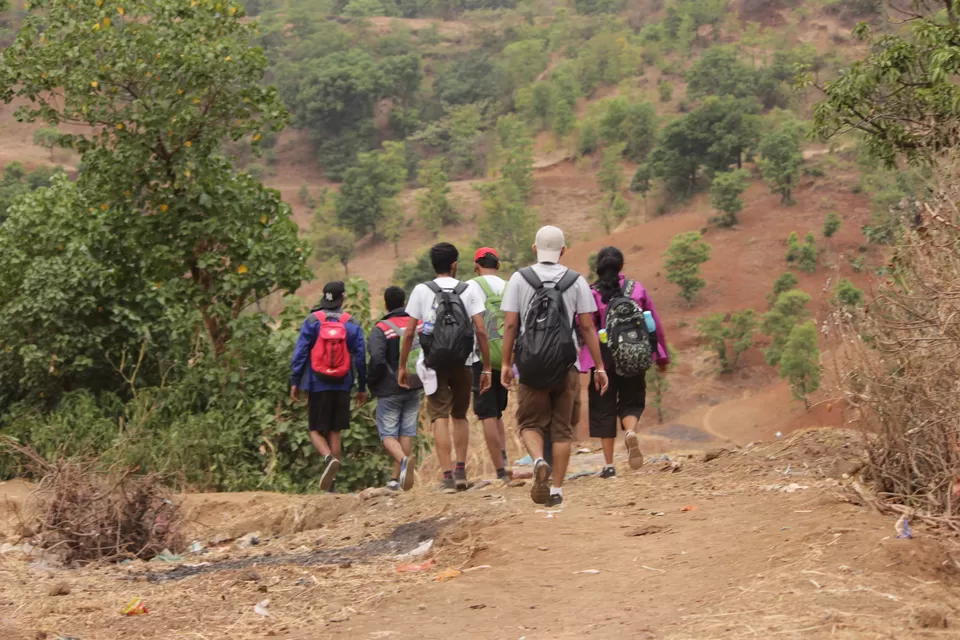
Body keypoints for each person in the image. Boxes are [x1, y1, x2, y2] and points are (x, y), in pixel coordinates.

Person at [501, 226, 608, 507]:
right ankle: (557, 490)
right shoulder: (576, 281)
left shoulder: (519, 279)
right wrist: (599, 366)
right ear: (562, 251)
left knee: (528, 423)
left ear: (535, 249)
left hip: (531, 364)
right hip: (566, 364)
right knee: (562, 429)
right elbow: (587, 326)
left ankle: (538, 461)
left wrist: (505, 363)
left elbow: (511, 324)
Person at [398, 243, 492, 493]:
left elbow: (409, 333)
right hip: (464, 361)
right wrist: (487, 367)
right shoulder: (468, 289)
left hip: (433, 362)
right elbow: (481, 330)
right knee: (459, 415)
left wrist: (402, 366)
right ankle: (461, 471)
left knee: (439, 415)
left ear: (433, 264)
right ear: (454, 265)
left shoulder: (421, 290)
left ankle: (447, 475)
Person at [580, 247, 670, 478]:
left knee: (603, 409)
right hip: (634, 354)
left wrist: (586, 360)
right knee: (631, 400)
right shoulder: (636, 288)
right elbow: (654, 324)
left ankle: (609, 466)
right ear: (620, 266)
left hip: (605, 359)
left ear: (598, 267)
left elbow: (586, 328)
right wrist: (661, 355)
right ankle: (630, 431)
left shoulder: (592, 293)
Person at [290, 281, 367, 491]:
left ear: (324, 297)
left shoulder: (313, 321)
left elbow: (300, 354)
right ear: (343, 298)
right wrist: (362, 386)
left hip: (317, 383)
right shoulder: (351, 323)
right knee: (335, 431)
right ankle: (332, 484)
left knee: (315, 430)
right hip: (342, 384)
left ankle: (327, 459)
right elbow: (360, 357)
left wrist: (295, 381)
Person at [368, 286, 422, 492]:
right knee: (406, 432)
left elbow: (377, 359)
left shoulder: (381, 328)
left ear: (385, 304)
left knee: (388, 435)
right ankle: (397, 479)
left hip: (389, 389)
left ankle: (403, 463)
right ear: (404, 303)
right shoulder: (414, 323)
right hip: (414, 385)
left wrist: (373, 383)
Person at [466, 247, 511, 483]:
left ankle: (500, 470)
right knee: (499, 412)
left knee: (487, 414)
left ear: (476, 265)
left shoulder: (470, 286)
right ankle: (505, 462)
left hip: (479, 358)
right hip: (504, 357)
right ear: (498, 265)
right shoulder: (508, 286)